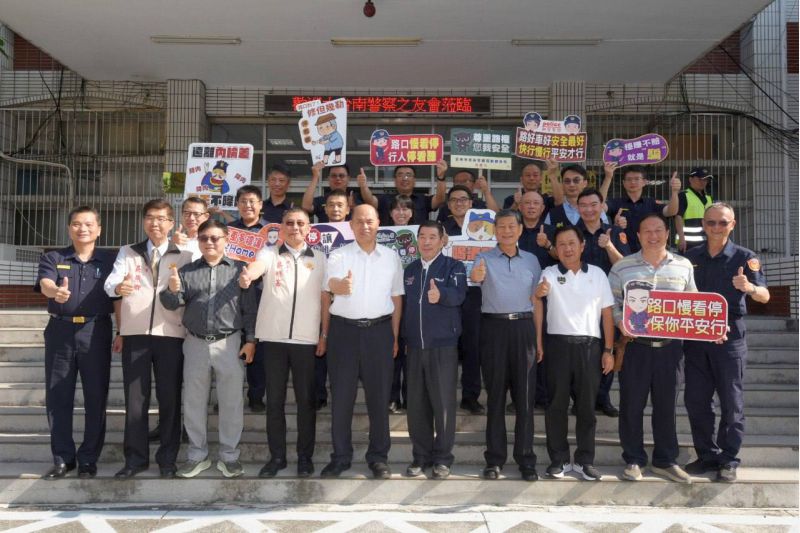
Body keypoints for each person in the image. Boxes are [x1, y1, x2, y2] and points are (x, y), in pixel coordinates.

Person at [160, 220, 257, 479]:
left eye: (215, 238)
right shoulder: (187, 271)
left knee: (231, 402)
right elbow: (171, 303)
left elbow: (249, 308)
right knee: (193, 401)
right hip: (195, 342)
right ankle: (197, 455)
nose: (209, 243)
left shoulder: (240, 270)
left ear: (227, 239)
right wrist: (171, 290)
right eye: (204, 238)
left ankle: (229, 457)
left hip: (229, 342)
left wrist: (250, 340)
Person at [104, 199, 194, 479]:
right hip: (136, 335)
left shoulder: (185, 254)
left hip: (171, 335)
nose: (155, 223)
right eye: (150, 218)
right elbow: (110, 284)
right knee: (135, 401)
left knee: (170, 399)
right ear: (144, 221)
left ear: (171, 223)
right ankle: (135, 459)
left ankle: (167, 459)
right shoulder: (128, 251)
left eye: (161, 218)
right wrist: (119, 287)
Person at [683, 203, 770, 483]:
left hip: (730, 336)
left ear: (732, 225)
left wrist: (749, 287)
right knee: (696, 400)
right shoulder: (689, 257)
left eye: (723, 223)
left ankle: (728, 458)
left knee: (731, 402)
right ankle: (706, 455)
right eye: (711, 223)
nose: (716, 228)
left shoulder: (745, 257)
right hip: (697, 337)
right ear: (703, 225)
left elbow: (765, 296)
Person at [608, 212, 696, 484]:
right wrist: (621, 322)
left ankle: (665, 460)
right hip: (635, 346)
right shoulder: (622, 267)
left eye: (658, 230)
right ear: (638, 235)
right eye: (647, 230)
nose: (653, 235)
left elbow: (693, 302)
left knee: (666, 406)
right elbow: (612, 304)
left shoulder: (683, 265)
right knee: (631, 405)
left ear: (668, 234)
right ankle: (633, 459)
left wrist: (710, 327)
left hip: (670, 349)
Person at [241, 208, 329, 478]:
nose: (295, 227)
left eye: (301, 223)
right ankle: (277, 457)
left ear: (309, 228)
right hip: (273, 339)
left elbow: (325, 298)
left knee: (306, 402)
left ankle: (304, 457)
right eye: (289, 223)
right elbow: (256, 268)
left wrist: (324, 334)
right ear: (281, 227)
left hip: (306, 340)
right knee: (275, 402)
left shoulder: (320, 258)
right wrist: (248, 275)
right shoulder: (269, 253)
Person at [36, 206, 119, 479]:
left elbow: (119, 295)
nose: (82, 229)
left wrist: (122, 331)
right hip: (60, 332)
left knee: (96, 396)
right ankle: (63, 458)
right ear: (69, 228)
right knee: (58, 396)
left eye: (88, 224)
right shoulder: (54, 257)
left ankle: (88, 459)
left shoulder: (110, 260)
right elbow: (45, 283)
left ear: (99, 229)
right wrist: (55, 292)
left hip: (96, 331)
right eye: (76, 224)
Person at [322, 204, 404, 479]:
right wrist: (340, 286)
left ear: (379, 222)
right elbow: (330, 284)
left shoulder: (391, 257)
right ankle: (340, 457)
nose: (365, 226)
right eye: (359, 221)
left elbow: (396, 298)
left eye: (369, 221)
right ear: (351, 224)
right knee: (341, 398)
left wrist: (394, 336)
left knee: (379, 399)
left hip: (379, 333)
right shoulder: (339, 254)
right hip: (343, 333)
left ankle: (378, 457)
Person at [534, 225, 615, 481]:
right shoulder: (548, 272)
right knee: (556, 405)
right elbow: (537, 302)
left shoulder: (598, 274)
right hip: (557, 345)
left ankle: (584, 461)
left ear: (582, 246)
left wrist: (608, 350)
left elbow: (607, 314)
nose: (567, 249)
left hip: (590, 346)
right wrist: (538, 295)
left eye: (572, 243)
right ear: (555, 249)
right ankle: (558, 460)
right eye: (561, 244)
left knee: (587, 407)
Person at [470, 209, 541, 481]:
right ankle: (494, 459)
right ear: (494, 231)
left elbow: (537, 301)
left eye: (512, 226)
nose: (507, 231)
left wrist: (538, 339)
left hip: (524, 328)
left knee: (525, 398)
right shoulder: (483, 258)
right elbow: (476, 278)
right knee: (496, 397)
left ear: (520, 229)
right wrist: (477, 275)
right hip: (494, 329)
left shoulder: (532, 260)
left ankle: (526, 460)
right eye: (501, 226)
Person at [402, 221, 467, 479]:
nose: (426, 242)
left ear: (442, 241)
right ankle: (421, 457)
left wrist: (442, 295)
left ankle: (442, 459)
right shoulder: (410, 269)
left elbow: (459, 295)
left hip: (443, 347)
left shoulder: (454, 266)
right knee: (416, 406)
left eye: (432, 237)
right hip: (415, 347)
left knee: (443, 405)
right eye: (422, 237)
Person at [575, 188, 631, 418]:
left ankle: (602, 397)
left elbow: (624, 265)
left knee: (609, 348)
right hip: (578, 303)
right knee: (581, 351)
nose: (589, 209)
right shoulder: (572, 233)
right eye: (584, 205)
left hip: (608, 303)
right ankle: (580, 398)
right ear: (578, 208)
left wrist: (609, 246)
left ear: (601, 206)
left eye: (593, 205)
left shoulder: (615, 232)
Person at [441, 185, 486, 415]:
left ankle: (470, 396)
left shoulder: (484, 229)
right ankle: (443, 395)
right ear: (449, 205)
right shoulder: (441, 230)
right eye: (454, 200)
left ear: (471, 203)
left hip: (474, 293)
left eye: (463, 199)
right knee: (446, 346)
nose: (459, 203)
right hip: (447, 294)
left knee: (472, 347)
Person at [226, 185, 269, 412]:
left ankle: (256, 395)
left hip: (261, 294)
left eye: (252, 201)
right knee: (230, 347)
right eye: (243, 201)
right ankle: (227, 397)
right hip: (231, 295)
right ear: (237, 205)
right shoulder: (228, 231)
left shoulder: (271, 232)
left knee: (257, 347)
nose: (248, 205)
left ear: (261, 204)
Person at [312, 189, 349, 411]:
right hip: (317, 299)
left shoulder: (356, 232)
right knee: (319, 349)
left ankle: (341, 396)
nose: (335, 209)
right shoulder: (312, 232)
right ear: (324, 209)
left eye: (340, 205)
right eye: (331, 205)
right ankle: (319, 394)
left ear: (348, 209)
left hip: (346, 301)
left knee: (342, 355)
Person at [599, 163, 681, 252]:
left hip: (648, 252)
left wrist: (674, 192)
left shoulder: (651, 202)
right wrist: (608, 178)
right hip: (622, 252)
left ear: (644, 182)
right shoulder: (616, 202)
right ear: (624, 183)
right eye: (629, 179)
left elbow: (671, 211)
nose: (633, 182)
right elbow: (599, 206)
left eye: (637, 179)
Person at [361, 162, 447, 225]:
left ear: (414, 180)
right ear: (395, 180)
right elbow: (370, 200)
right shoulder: (385, 199)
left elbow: (440, 198)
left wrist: (441, 177)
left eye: (408, 175)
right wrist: (363, 186)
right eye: (400, 175)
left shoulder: (423, 199)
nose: (404, 178)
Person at [546, 163, 609, 228]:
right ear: (562, 184)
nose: (571, 184)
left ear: (585, 183)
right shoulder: (552, 214)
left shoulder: (596, 211)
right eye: (567, 181)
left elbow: (605, 231)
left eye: (576, 180)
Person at [302, 163, 367, 223]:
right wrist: (315, 177)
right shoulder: (322, 200)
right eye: (333, 176)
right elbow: (306, 206)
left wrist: (354, 208)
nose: (337, 178)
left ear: (348, 178)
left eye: (341, 175)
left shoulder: (355, 199)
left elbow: (369, 211)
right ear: (328, 178)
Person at [675, 167, 714, 252]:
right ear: (690, 179)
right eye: (700, 179)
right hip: (688, 243)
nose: (703, 182)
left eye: (705, 180)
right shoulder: (683, 196)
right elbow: (678, 217)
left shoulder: (709, 198)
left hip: (707, 243)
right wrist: (681, 238)